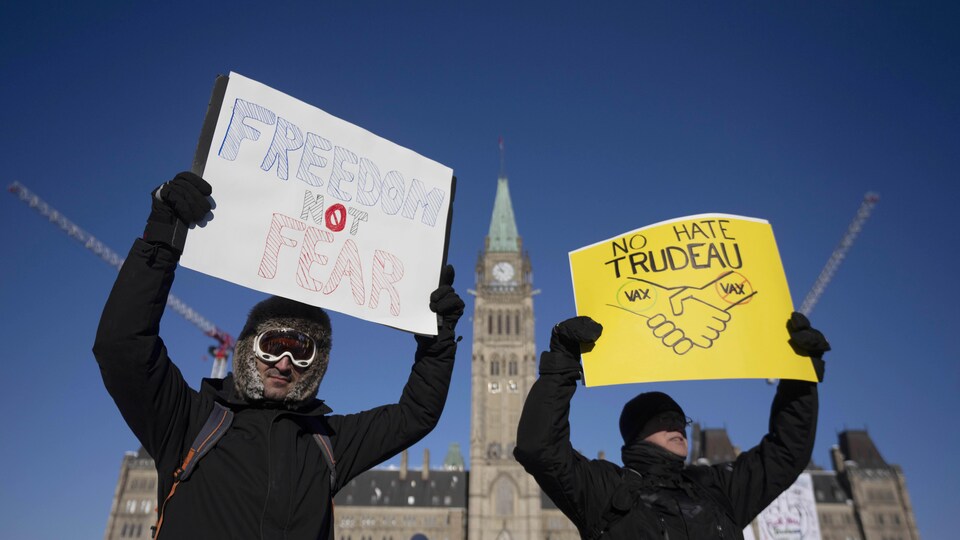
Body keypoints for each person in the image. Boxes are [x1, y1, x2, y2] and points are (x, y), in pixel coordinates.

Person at [93, 172, 464, 539]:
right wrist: (164, 234)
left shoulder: (327, 443)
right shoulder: (189, 423)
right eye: (273, 345)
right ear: (248, 348)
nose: (284, 363)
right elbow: (122, 345)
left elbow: (416, 415)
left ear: (315, 366)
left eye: (302, 351)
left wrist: (437, 340)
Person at [514, 313, 829, 539]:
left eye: (681, 421)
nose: (677, 427)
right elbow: (539, 449)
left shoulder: (717, 488)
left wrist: (800, 378)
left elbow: (787, 453)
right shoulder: (606, 490)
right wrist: (562, 364)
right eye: (663, 420)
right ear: (637, 434)